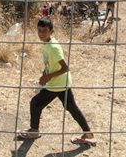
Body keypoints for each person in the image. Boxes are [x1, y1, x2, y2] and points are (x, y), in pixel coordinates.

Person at [16, 16, 95, 146]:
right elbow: (52, 64)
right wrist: (45, 73)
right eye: (39, 30)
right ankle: (88, 132)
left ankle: (34, 130)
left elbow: (65, 68)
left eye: (44, 31)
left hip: (57, 83)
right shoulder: (46, 43)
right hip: (63, 82)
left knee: (35, 103)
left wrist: (47, 77)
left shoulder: (53, 47)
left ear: (51, 31)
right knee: (71, 107)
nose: (41, 33)